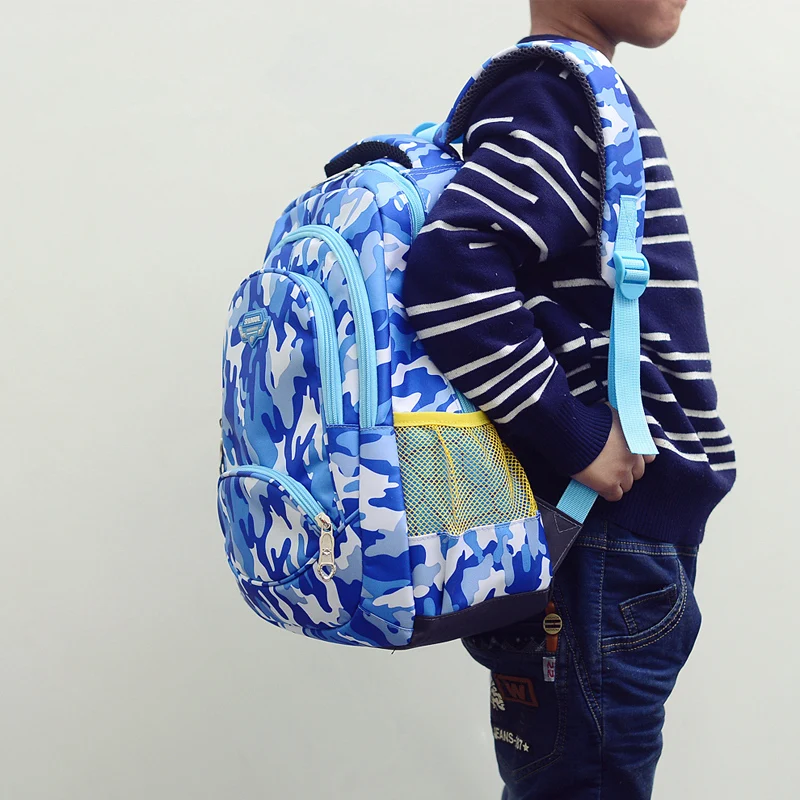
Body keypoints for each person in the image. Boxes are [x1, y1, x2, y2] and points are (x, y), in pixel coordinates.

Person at [403, 1, 736, 797]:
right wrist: (577, 438)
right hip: (598, 547)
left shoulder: (570, 95)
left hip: (606, 547)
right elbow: (450, 277)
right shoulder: (555, 96)